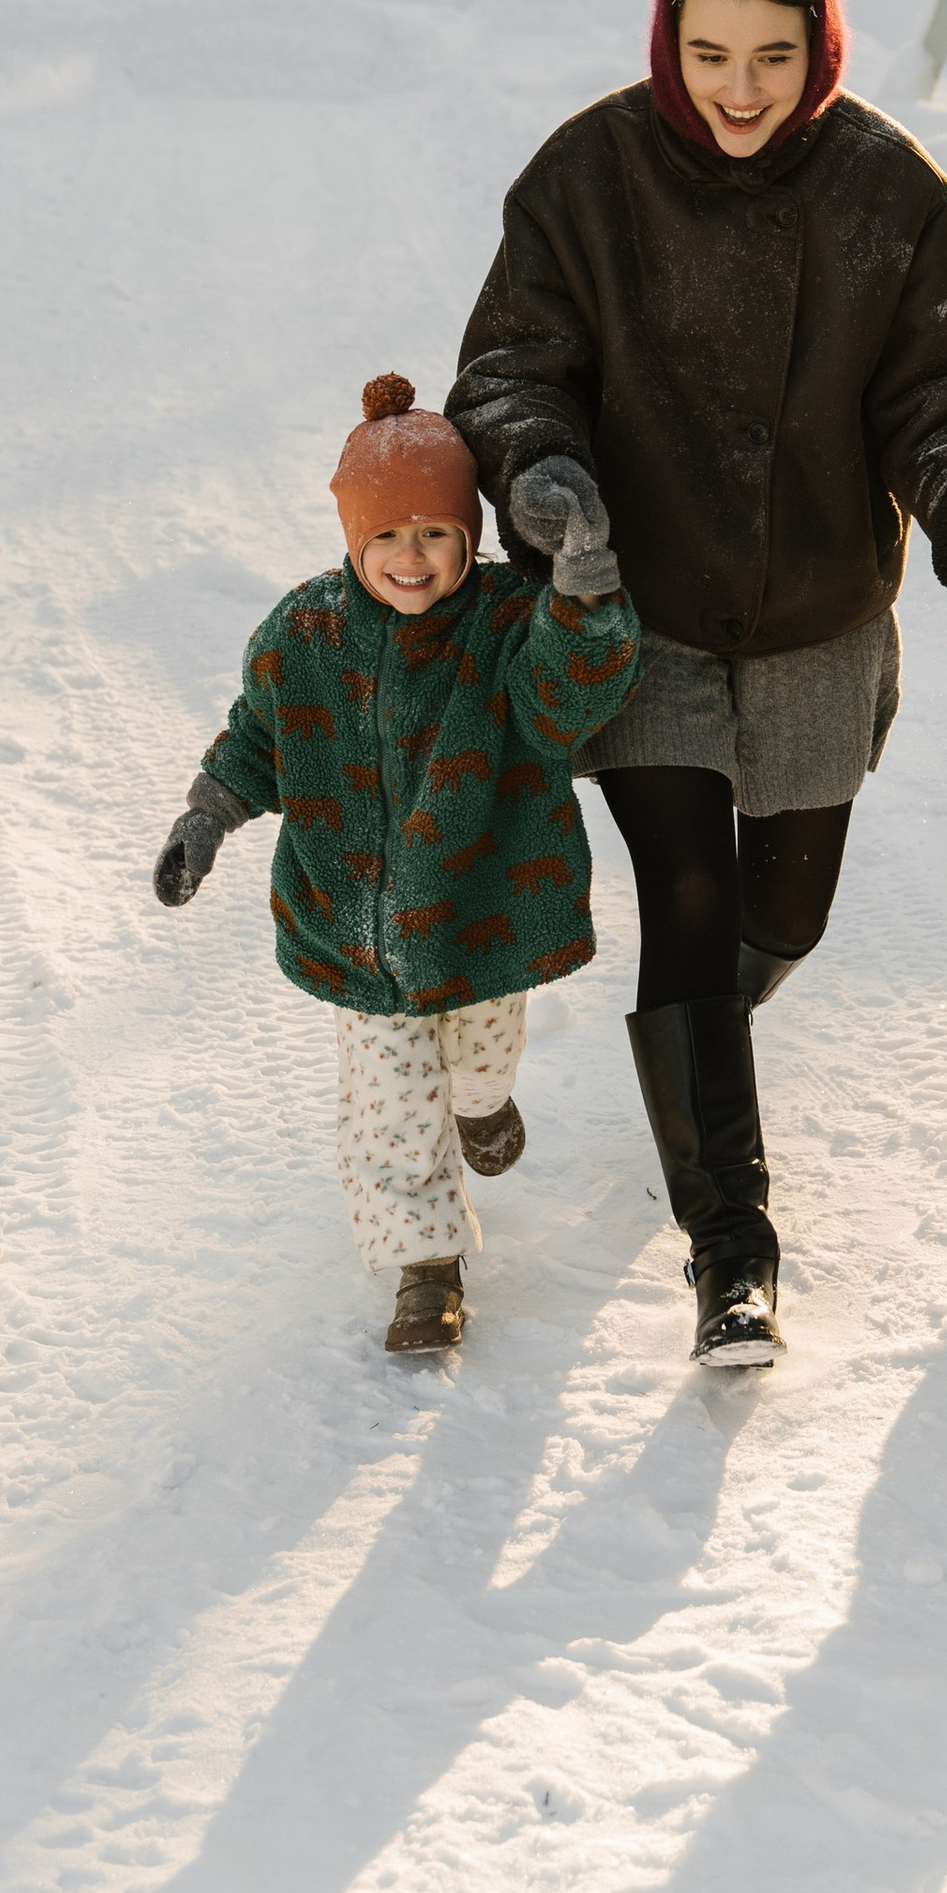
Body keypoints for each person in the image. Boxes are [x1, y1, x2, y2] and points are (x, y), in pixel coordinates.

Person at [449, 0, 947, 1370]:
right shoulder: (587, 179)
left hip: (815, 616)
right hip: (638, 612)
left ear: (820, 48)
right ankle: (733, 1251)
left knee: (784, 915)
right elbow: (514, 368)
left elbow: (943, 399)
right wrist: (544, 479)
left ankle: (692, 1056)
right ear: (668, 42)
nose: (739, 87)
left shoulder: (887, 193)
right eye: (709, 52)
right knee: (687, 896)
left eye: (773, 56)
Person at [149, 374, 640, 1355]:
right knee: (390, 1102)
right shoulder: (305, 633)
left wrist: (585, 591)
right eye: (386, 535)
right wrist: (207, 815)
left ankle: (483, 1104)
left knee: (478, 1058)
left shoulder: (508, 621)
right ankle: (425, 1267)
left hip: (481, 911)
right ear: (352, 538)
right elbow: (259, 737)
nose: (410, 558)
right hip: (354, 927)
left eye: (434, 534)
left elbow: (570, 693)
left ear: (469, 536)